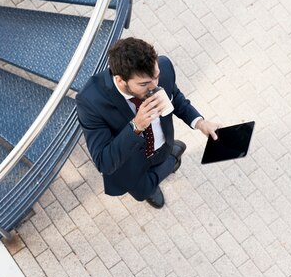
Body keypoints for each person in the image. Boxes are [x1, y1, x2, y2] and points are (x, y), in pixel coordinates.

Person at [75, 37, 220, 208]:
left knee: (160, 161)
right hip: (130, 161)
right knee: (142, 191)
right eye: (144, 84)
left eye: (156, 77)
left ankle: (169, 155)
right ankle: (172, 160)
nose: (154, 87)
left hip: (162, 144)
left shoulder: (163, 67)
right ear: (121, 80)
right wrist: (136, 126)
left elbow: (176, 98)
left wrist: (201, 123)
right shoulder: (91, 101)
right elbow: (103, 161)